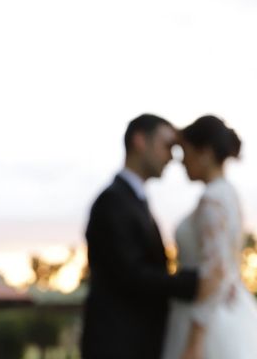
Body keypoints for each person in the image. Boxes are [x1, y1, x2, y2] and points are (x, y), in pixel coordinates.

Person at [81, 113, 219, 359]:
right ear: (140, 141)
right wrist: (194, 282)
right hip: (117, 346)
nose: (172, 158)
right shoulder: (112, 202)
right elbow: (131, 274)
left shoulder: (134, 200)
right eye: (166, 146)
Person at [161, 115, 257, 359]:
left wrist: (195, 341)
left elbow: (217, 269)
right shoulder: (228, 194)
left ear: (205, 153)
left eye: (185, 152)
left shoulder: (213, 199)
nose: (182, 162)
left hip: (206, 320)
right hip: (229, 307)